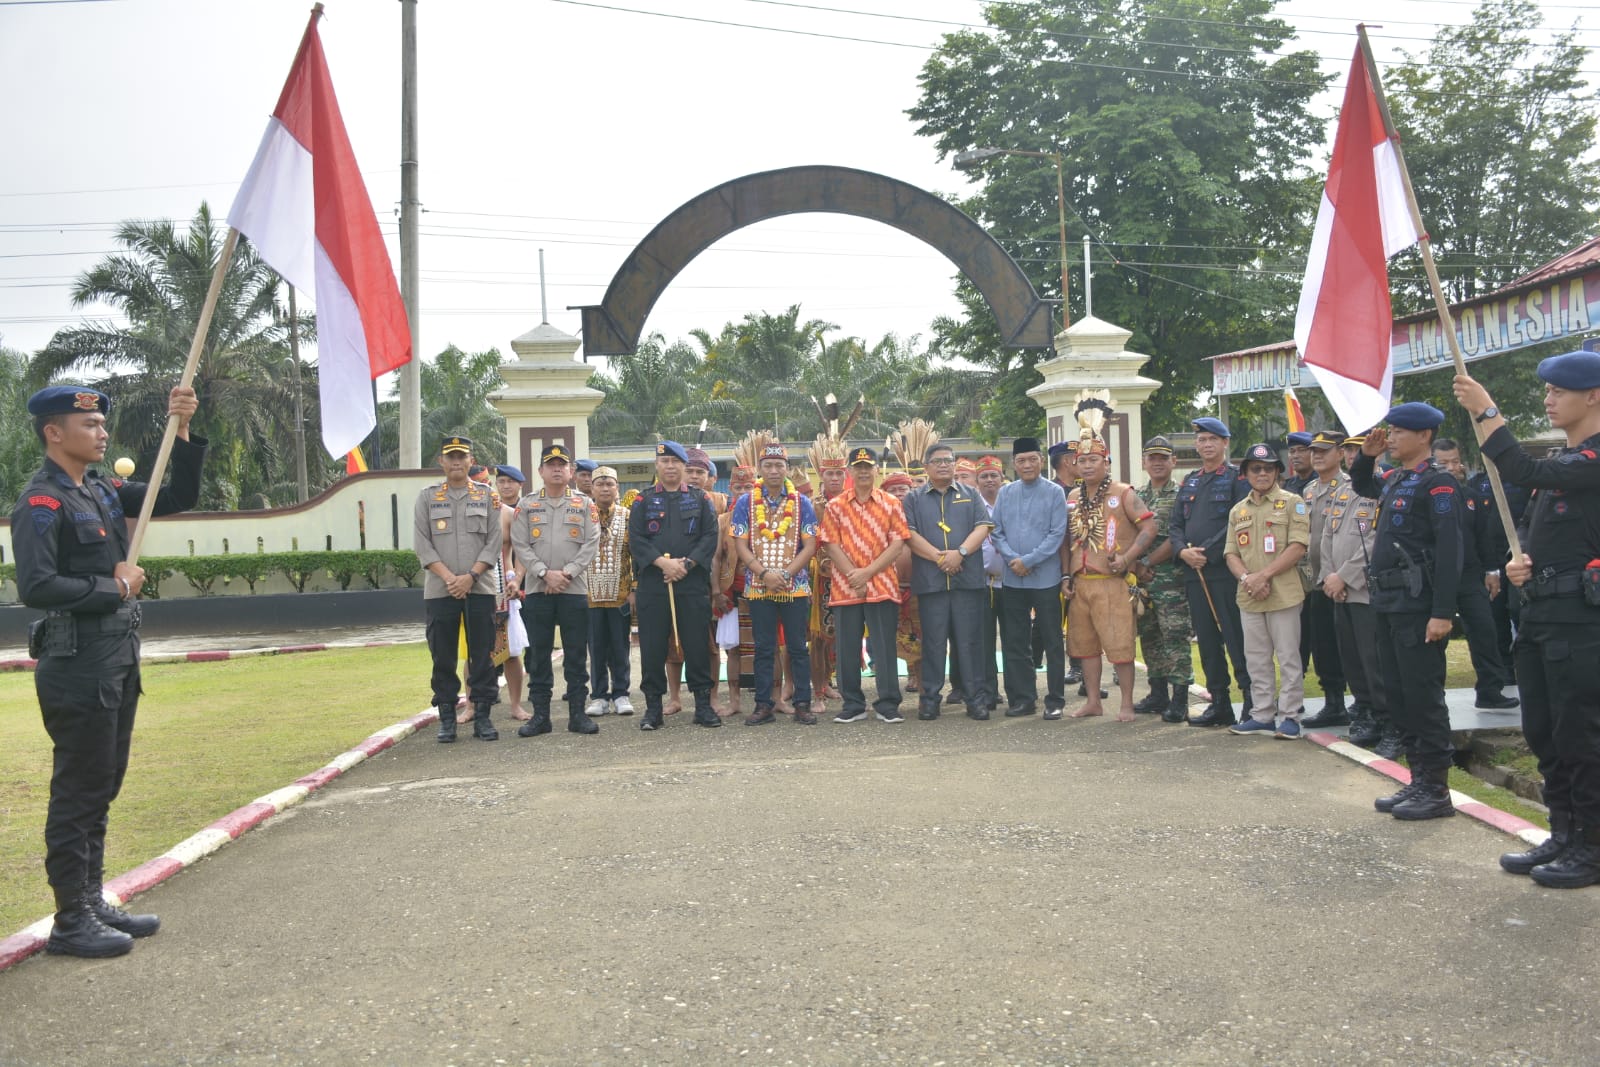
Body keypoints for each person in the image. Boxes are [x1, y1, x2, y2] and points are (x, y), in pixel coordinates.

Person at [13, 383, 205, 958]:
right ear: (54, 432)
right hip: (76, 663)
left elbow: (176, 496)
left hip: (116, 656)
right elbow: (37, 585)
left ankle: (92, 900)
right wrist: (114, 586)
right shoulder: (41, 501)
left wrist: (184, 428)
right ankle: (71, 920)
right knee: (78, 789)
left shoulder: (99, 487)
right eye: (89, 423)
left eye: (101, 423)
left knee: (103, 783)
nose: (101, 432)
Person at [1456, 357, 1600, 887]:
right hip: (1542, 617)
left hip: (1582, 626)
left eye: (1561, 390)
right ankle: (1564, 833)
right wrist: (1521, 562)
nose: (1548, 397)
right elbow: (1538, 525)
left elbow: (1523, 469)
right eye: (1547, 389)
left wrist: (1488, 412)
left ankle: (1592, 846)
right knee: (1545, 732)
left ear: (1594, 396)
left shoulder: (1592, 458)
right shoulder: (1567, 460)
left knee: (1581, 734)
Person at [1349, 403, 1463, 821]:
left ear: (1425, 436)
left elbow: (1451, 553)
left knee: (1423, 697)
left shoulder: (1439, 485)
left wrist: (1443, 612)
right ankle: (1418, 780)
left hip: (1418, 607)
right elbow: (1363, 484)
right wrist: (1367, 455)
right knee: (1397, 696)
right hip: (1389, 603)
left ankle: (1436, 788)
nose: (1391, 437)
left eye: (1399, 432)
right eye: (1390, 431)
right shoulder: (1398, 478)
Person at [1062, 400, 1157, 722]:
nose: (1087, 466)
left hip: (1112, 582)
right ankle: (1093, 701)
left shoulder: (1123, 492)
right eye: (1082, 461)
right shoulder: (1073, 498)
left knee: (1120, 647)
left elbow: (1150, 526)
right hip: (1081, 583)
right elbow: (1066, 541)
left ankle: (1127, 703)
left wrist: (1129, 557)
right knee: (1084, 647)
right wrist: (1066, 577)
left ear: (1107, 462)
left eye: (1093, 460)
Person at [509, 444, 601, 738]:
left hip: (573, 590)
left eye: (563, 464)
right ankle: (541, 717)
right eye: (551, 465)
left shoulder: (585, 504)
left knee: (575, 654)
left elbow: (591, 543)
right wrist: (543, 573)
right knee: (538, 655)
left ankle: (577, 715)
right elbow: (520, 544)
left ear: (571, 471)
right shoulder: (527, 505)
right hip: (537, 590)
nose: (557, 469)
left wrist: (567, 573)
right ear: (540, 472)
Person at [415, 435, 502, 744]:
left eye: (461, 456)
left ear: (470, 460)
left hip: (479, 588)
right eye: (450, 456)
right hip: (440, 590)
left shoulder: (487, 496)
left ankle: (483, 717)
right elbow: (422, 544)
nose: (455, 461)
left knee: (482, 655)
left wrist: (470, 577)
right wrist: (451, 578)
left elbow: (494, 542)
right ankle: (448, 718)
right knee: (443, 656)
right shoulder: (427, 498)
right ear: (441, 461)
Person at [631, 440, 721, 730]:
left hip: (691, 583)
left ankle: (703, 706)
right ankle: (653, 708)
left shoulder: (701, 499)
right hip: (654, 584)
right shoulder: (642, 501)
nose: (670, 467)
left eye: (676, 462)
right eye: (664, 462)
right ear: (657, 466)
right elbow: (637, 540)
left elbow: (710, 537)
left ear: (684, 466)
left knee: (697, 644)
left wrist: (686, 565)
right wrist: (663, 564)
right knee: (653, 646)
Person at [1223, 443, 1311, 738]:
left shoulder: (1292, 502)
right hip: (1249, 594)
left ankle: (1290, 717)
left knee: (1288, 657)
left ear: (1277, 472)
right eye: (1256, 469)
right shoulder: (1239, 510)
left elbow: (1298, 546)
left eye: (1268, 468)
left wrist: (1264, 576)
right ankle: (1261, 714)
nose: (1262, 473)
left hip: (1283, 593)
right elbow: (1230, 553)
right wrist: (1248, 578)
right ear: (1246, 473)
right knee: (1256, 658)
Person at [1169, 417, 1252, 727]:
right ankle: (1219, 703)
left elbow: (1239, 521)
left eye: (1212, 440)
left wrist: (1207, 553)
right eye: (1202, 440)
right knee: (1206, 640)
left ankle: (1251, 702)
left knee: (1235, 638)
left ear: (1224, 443)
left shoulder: (1235, 479)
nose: (1206, 445)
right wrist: (1182, 551)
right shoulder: (1189, 481)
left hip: (1223, 572)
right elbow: (1176, 524)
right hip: (1194, 573)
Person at [902, 442, 995, 720]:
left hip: (967, 580)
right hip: (931, 582)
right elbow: (909, 533)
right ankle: (929, 699)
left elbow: (982, 527)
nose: (944, 465)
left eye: (948, 460)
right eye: (938, 461)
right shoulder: (914, 498)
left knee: (969, 642)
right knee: (933, 643)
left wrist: (961, 553)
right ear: (927, 467)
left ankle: (975, 699)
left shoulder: (971, 494)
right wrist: (940, 558)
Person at [1318, 438, 1398, 757]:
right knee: (1351, 659)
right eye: (1349, 451)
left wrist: (1344, 576)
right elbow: (1328, 536)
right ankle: (1364, 712)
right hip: (1339, 591)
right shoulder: (1341, 491)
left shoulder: (1382, 489)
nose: (1354, 456)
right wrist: (1328, 576)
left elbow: (1377, 541)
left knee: (1372, 660)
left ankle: (1388, 720)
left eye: (1359, 450)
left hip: (1364, 590)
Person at [730, 441, 820, 725]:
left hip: (794, 585)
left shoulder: (801, 502)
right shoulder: (746, 502)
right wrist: (764, 574)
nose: (773, 470)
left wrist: (785, 574)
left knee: (796, 646)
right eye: (767, 465)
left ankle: (802, 702)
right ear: (760, 469)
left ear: (786, 468)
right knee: (764, 647)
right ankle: (764, 704)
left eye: (778, 465)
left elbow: (810, 545)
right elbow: (740, 544)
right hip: (759, 586)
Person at [820, 446, 910, 724]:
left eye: (867, 467)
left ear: (875, 470)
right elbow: (830, 544)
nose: (862, 472)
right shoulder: (835, 506)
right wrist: (853, 576)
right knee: (847, 646)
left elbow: (898, 543)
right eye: (857, 467)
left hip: (882, 583)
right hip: (845, 584)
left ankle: (888, 703)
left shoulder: (891, 503)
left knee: (884, 646)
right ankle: (853, 704)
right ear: (850, 471)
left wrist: (867, 573)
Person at [1432, 438, 1519, 710]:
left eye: (1455, 461)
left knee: (1485, 630)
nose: (1452, 467)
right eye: (1443, 463)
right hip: (1436, 576)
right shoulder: (1428, 494)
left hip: (1471, 574)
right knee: (1435, 639)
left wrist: (1492, 570)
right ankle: (1434, 697)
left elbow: (1484, 537)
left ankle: (1490, 691)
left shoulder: (1472, 496)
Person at [991, 436, 1070, 719]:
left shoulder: (1054, 492)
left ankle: (1055, 699)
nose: (1027, 465)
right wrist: (1015, 559)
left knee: (1051, 640)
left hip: (1045, 578)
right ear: (1014, 463)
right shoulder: (1006, 493)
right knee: (1015, 641)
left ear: (1041, 461)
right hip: (1013, 579)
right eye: (1021, 460)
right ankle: (1023, 698)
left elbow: (1056, 534)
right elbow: (996, 530)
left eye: (1032, 459)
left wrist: (1028, 560)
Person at [1132, 435, 1195, 723]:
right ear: (1144, 462)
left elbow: (1178, 536)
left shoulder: (1183, 495)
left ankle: (1180, 698)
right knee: (1150, 635)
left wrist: (1146, 562)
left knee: (1175, 637)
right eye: (1151, 458)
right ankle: (1158, 693)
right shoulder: (1136, 496)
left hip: (1171, 577)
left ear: (1174, 461)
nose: (1157, 463)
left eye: (1163, 458)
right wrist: (1136, 566)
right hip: (1142, 580)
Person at [1298, 430, 1350, 728]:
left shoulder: (1351, 487)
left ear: (1340, 453)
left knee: (1349, 646)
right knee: (1323, 644)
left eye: (1324, 451)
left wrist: (1341, 575)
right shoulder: (1308, 490)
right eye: (1314, 451)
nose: (1316, 456)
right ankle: (1334, 702)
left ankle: (1365, 704)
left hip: (1341, 581)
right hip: (1314, 581)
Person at [715, 445, 762, 717]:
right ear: (731, 490)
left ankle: (771, 698)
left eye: (748, 489)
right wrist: (715, 592)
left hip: (764, 591)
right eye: (738, 489)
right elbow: (715, 559)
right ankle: (734, 702)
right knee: (733, 649)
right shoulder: (723, 520)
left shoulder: (770, 518)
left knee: (768, 648)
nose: (743, 493)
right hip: (731, 591)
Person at [584, 466, 634, 717]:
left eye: (610, 484)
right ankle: (599, 695)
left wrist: (634, 588)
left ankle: (622, 693)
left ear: (617, 488)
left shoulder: (628, 515)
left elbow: (636, 554)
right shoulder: (583, 515)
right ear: (592, 489)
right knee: (596, 647)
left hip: (621, 592)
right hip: (589, 592)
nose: (605, 488)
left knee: (620, 646)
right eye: (600, 484)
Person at [494, 464, 532, 721]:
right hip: (476, 586)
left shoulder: (513, 513)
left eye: (511, 481)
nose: (505, 486)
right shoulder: (471, 512)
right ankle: (473, 706)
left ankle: (516, 704)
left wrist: (516, 579)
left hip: (508, 585)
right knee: (475, 652)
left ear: (520, 484)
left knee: (512, 651)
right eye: (501, 481)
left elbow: (523, 549)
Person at [881, 470, 921, 696]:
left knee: (918, 633)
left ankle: (918, 676)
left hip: (918, 587)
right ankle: (898, 680)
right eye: (892, 490)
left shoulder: (919, 515)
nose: (898, 494)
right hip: (890, 588)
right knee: (895, 635)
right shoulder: (881, 518)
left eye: (902, 489)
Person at [1283, 430, 1315, 495]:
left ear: (1314, 453)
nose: (1295, 456)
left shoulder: (1323, 483)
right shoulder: (1287, 486)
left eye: (1302, 450)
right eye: (1292, 451)